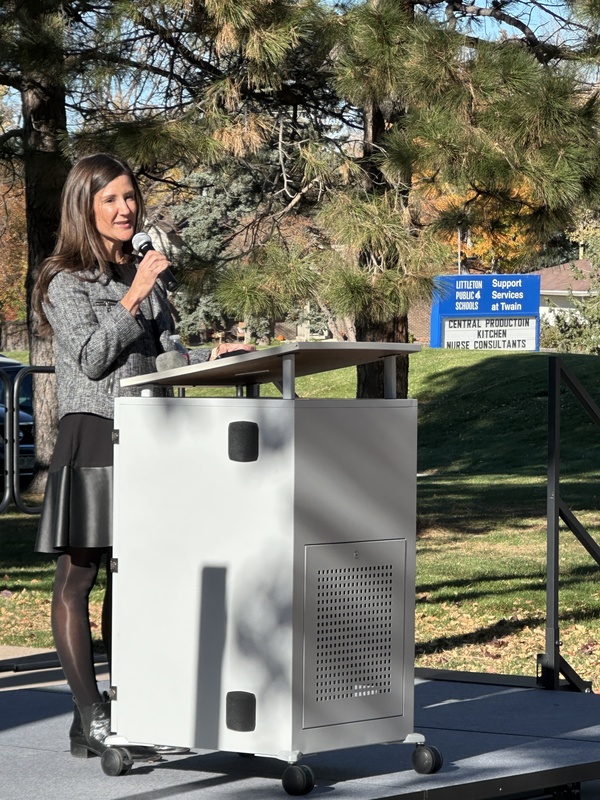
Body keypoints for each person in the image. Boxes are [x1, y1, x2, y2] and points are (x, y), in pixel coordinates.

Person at [32, 153, 253, 759]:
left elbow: (162, 354)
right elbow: (94, 356)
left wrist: (214, 356)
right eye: (111, 200)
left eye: (130, 197)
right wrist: (135, 293)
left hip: (151, 436)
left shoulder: (144, 271)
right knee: (79, 577)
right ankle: (91, 711)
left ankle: (124, 703)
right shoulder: (62, 279)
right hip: (96, 432)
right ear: (86, 208)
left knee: (135, 578)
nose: (126, 209)